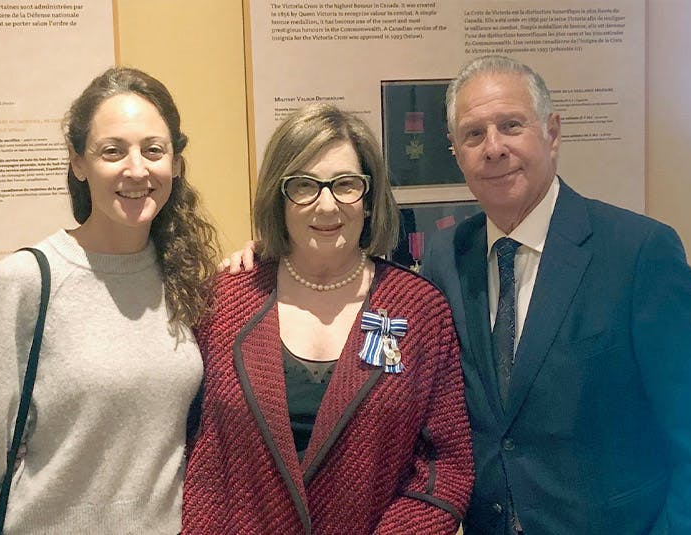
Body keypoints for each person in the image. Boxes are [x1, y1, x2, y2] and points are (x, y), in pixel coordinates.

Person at [423, 55, 691, 534]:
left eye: (511, 125)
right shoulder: (446, 257)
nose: (493, 148)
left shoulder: (639, 254)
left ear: (552, 132)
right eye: (473, 134)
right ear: (455, 152)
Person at [0, 67, 218, 534]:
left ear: (176, 163)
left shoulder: (185, 279)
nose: (136, 169)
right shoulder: (27, 282)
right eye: (112, 151)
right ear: (78, 162)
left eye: (153, 150)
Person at [182, 103, 474, 534]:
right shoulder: (225, 299)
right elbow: (191, 450)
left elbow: (445, 462)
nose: (326, 205)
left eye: (345, 184)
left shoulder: (419, 310)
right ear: (278, 197)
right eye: (304, 185)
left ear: (369, 197)